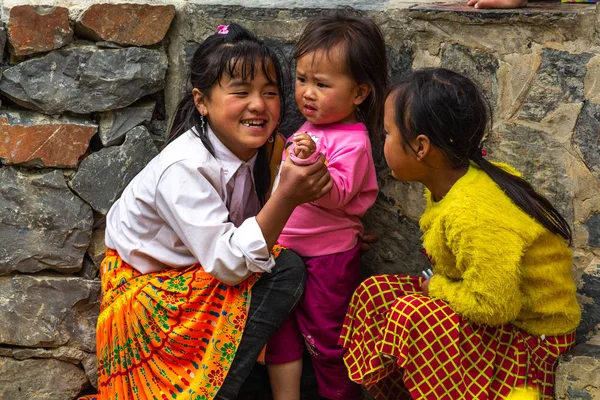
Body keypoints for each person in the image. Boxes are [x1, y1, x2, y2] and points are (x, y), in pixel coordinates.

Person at [83, 24, 333, 400]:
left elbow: (253, 240)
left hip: (196, 282)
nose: (259, 105)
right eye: (240, 92)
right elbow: (229, 263)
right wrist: (286, 197)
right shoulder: (183, 167)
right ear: (202, 101)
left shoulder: (265, 151)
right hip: (149, 301)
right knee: (285, 270)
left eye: (269, 92)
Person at [339, 68, 581, 400]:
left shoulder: (472, 211)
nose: (383, 143)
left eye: (388, 134)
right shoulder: (450, 184)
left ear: (421, 147)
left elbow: (495, 306)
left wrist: (435, 287)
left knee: (411, 316)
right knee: (374, 294)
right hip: (498, 318)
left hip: (529, 342)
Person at [265, 10, 387, 400]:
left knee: (327, 338)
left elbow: (336, 196)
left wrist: (307, 161)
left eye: (321, 84)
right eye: (301, 80)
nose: (306, 93)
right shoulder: (309, 128)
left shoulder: (353, 141)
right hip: (283, 251)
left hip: (328, 259)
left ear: (359, 93)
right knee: (279, 333)